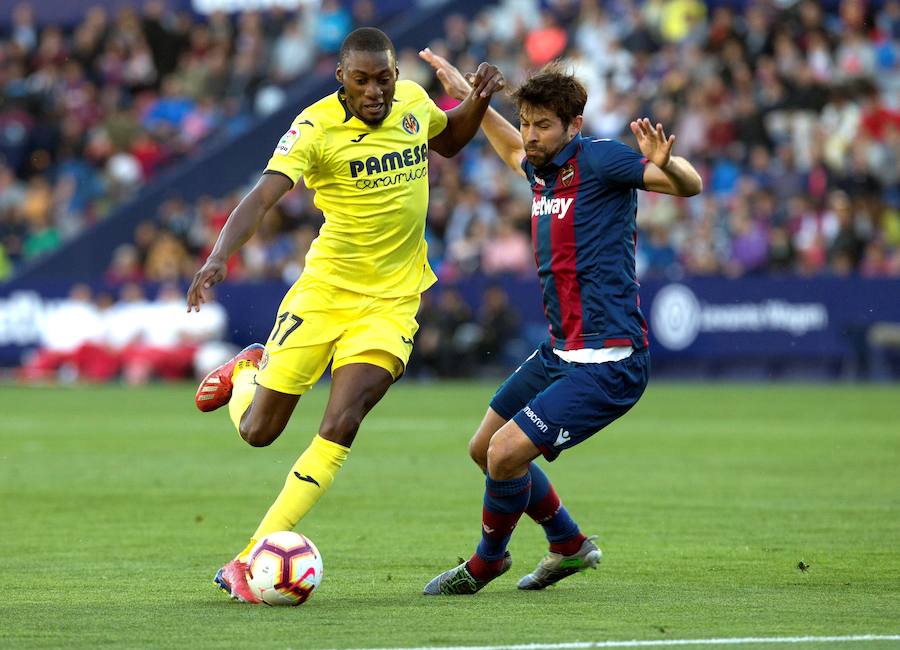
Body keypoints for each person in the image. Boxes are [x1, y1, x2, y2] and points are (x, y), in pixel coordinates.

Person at [186, 28, 504, 603]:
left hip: (393, 300)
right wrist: (217, 257)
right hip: (325, 292)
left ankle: (248, 557)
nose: (377, 91)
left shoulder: (412, 101)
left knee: (342, 422)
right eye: (362, 80)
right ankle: (245, 374)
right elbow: (262, 196)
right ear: (342, 79)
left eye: (384, 78)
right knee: (259, 432)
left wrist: (477, 100)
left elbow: (450, 140)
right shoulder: (313, 128)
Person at [419, 50, 702, 595]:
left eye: (542, 126)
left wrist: (668, 162)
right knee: (484, 449)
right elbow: (502, 141)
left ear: (574, 125)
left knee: (505, 454)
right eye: (527, 123)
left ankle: (486, 562)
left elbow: (686, 186)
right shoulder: (540, 170)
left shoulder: (600, 161)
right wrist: (470, 98)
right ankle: (569, 544)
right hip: (560, 351)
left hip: (609, 361)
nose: (530, 135)